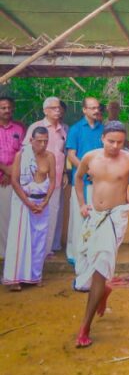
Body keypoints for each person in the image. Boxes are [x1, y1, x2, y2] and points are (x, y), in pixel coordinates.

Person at [74, 121, 129, 348]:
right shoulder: (90, 157)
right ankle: (103, 290)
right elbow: (79, 177)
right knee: (84, 272)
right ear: (102, 138)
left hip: (115, 217)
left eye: (120, 142)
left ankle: (84, 328)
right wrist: (82, 203)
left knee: (101, 268)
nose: (115, 146)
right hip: (94, 217)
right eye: (111, 141)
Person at [2, 128, 55, 290]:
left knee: (39, 240)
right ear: (31, 140)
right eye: (39, 140)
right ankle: (15, 278)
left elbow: (52, 181)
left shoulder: (50, 157)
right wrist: (28, 203)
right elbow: (15, 181)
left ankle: (34, 276)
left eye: (46, 140)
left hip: (41, 203)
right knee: (19, 240)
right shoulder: (21, 155)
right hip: (23, 203)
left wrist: (45, 202)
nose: (43, 144)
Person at [24, 96, 67, 254]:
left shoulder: (62, 129)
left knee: (52, 213)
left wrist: (63, 173)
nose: (58, 110)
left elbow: (62, 154)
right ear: (45, 111)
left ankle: (47, 250)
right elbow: (26, 152)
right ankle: (33, 251)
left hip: (55, 180)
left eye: (59, 108)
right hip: (37, 181)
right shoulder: (37, 127)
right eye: (54, 108)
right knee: (36, 214)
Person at [65, 97, 103, 265]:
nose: (96, 111)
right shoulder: (75, 129)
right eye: (92, 108)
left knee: (96, 217)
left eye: (97, 108)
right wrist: (85, 170)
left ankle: (92, 252)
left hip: (99, 181)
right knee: (79, 217)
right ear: (84, 110)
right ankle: (75, 254)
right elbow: (71, 155)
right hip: (81, 181)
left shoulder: (103, 128)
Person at [0, 95, 25, 259]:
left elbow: (23, 152)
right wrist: (5, 170)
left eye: (9, 107)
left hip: (12, 180)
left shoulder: (20, 128)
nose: (7, 110)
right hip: (3, 176)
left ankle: (8, 254)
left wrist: (11, 173)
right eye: (3, 108)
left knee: (9, 218)